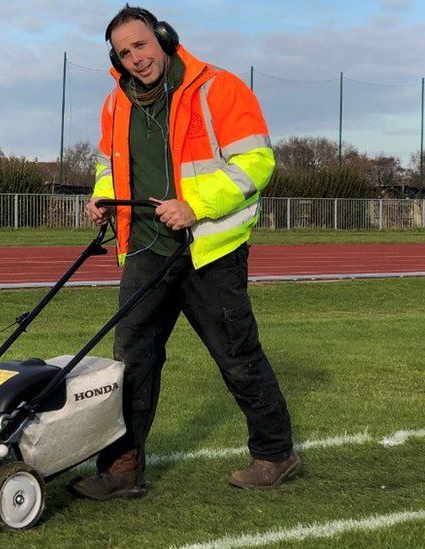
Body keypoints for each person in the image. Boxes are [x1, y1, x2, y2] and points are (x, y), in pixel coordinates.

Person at [67, 4, 299, 501]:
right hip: (145, 249)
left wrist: (195, 205)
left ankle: (276, 454)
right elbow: (108, 162)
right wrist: (102, 195)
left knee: (237, 356)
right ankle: (123, 468)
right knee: (131, 360)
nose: (135, 58)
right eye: (124, 52)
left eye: (141, 45)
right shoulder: (115, 103)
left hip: (209, 249)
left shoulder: (219, 88)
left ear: (164, 38)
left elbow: (256, 163)